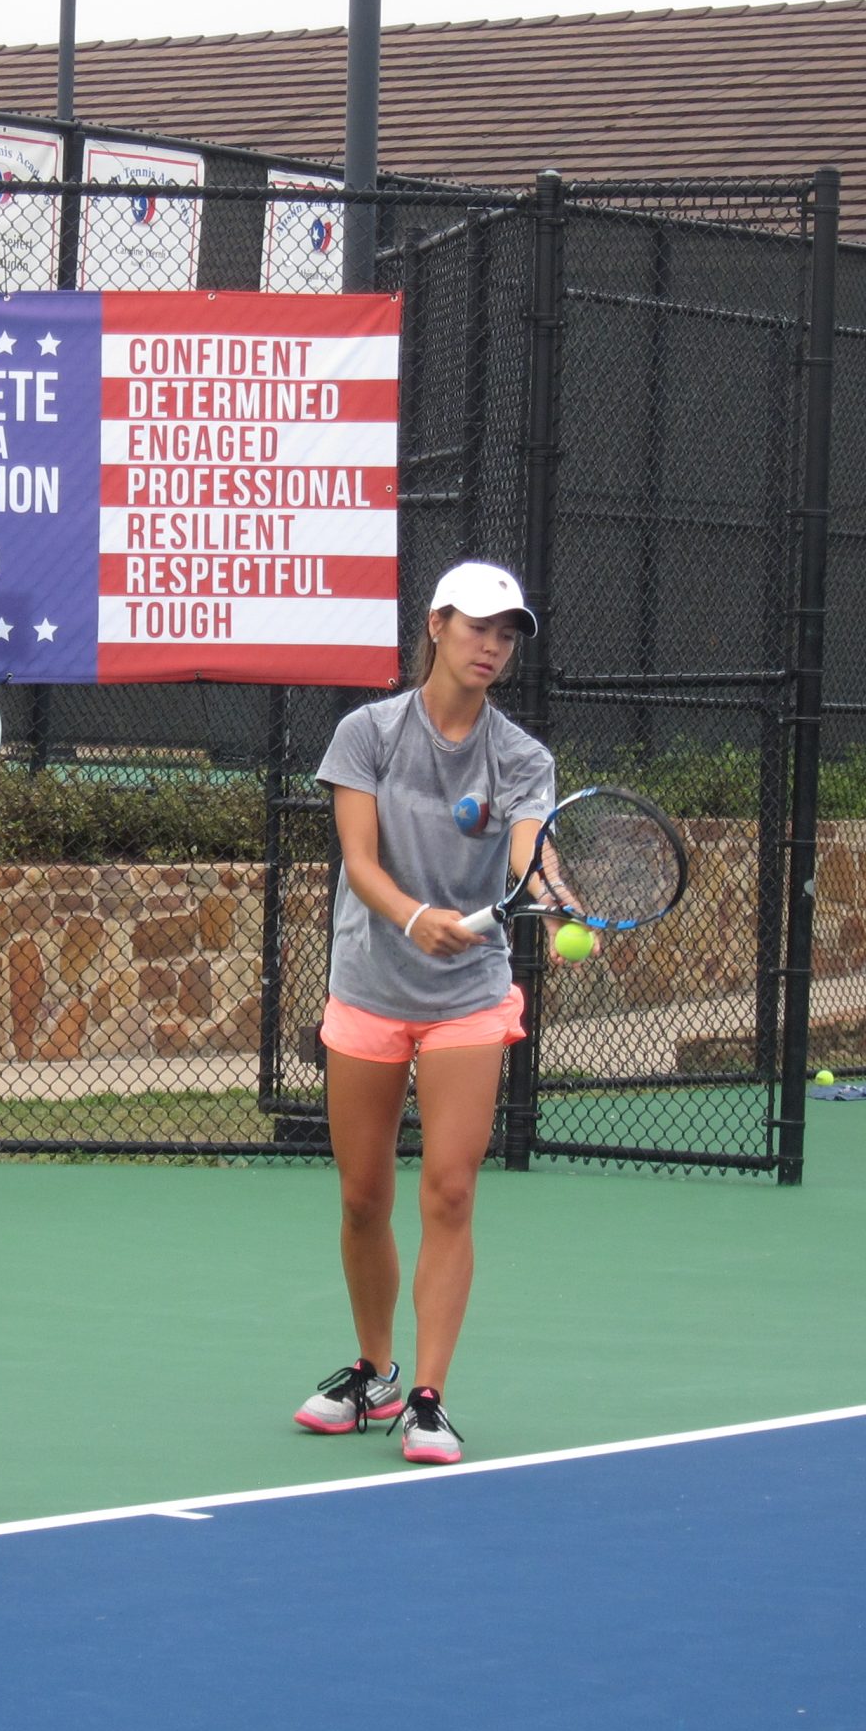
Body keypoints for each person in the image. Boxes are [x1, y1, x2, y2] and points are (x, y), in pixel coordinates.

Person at [295, 560, 555, 1466]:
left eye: (507, 633)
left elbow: (528, 850)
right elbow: (360, 863)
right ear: (437, 625)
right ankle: (375, 1371)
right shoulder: (366, 734)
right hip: (370, 984)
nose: (493, 646)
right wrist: (414, 918)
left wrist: (548, 888)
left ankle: (430, 1399)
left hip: (468, 996)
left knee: (449, 1189)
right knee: (363, 1196)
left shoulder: (522, 758)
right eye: (478, 626)